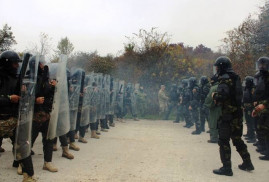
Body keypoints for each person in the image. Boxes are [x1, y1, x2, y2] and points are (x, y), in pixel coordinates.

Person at [212, 56, 254, 176]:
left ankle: (226, 168)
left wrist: (214, 96)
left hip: (227, 115)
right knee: (237, 139)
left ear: (222, 67)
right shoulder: (236, 77)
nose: (216, 69)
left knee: (223, 140)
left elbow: (222, 97)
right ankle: (248, 162)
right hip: (237, 114)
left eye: (217, 66)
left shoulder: (225, 79)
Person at [0, 51, 36, 181]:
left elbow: (23, 100)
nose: (16, 65)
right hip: (1, 118)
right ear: (7, 63)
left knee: (22, 145)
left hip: (14, 118)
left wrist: (23, 92)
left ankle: (29, 176)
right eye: (14, 63)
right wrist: (9, 98)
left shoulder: (16, 78)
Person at [31, 59, 58, 173]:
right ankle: (22, 164)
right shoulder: (30, 78)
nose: (44, 65)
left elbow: (49, 96)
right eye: (41, 63)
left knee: (49, 140)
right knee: (29, 140)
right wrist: (35, 100)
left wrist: (53, 88)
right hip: (33, 115)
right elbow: (23, 97)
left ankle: (47, 162)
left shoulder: (47, 78)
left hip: (46, 114)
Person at [252, 57, 269, 160]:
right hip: (262, 106)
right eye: (260, 64)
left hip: (266, 106)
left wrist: (265, 104)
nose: (261, 66)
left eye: (263, 64)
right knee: (263, 129)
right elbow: (259, 93)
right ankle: (266, 150)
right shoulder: (261, 77)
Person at [204, 75, 220, 143]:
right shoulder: (221, 86)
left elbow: (209, 98)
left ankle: (214, 138)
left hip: (215, 108)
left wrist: (207, 104)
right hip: (222, 108)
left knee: (213, 122)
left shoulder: (213, 88)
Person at [242, 76, 256, 143]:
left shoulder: (252, 89)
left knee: (251, 122)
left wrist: (252, 107)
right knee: (247, 121)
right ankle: (249, 133)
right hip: (246, 107)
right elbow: (244, 97)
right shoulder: (246, 88)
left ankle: (252, 137)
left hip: (250, 107)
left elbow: (254, 98)